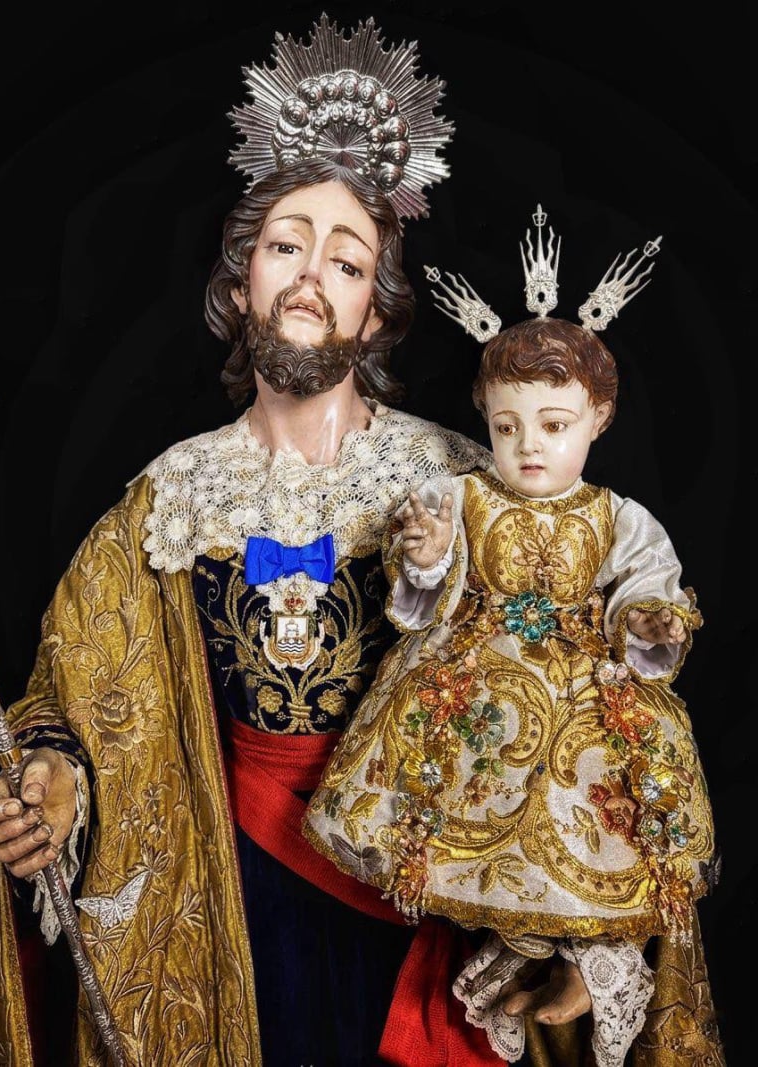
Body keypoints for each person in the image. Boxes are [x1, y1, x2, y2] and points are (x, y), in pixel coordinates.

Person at [0, 15, 509, 1067]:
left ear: (375, 310)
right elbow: (73, 697)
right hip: (226, 908)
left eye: (346, 261)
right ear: (241, 278)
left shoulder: (463, 484)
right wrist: (53, 784)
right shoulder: (168, 502)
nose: (310, 277)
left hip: (419, 908)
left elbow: (559, 692)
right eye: (285, 246)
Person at [304, 212, 724, 1066]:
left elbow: (647, 580)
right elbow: (422, 585)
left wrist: (648, 618)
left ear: (599, 417)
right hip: (475, 681)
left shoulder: (617, 515)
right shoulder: (464, 496)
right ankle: (519, 949)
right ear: (485, 418)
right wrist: (426, 553)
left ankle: (582, 960)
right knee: (467, 802)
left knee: (598, 803)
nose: (529, 446)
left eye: (554, 425)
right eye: (508, 426)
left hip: (584, 687)